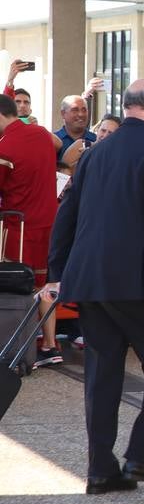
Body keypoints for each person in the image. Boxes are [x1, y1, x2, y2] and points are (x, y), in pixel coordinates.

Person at [43, 78, 144, 495]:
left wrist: (57, 271)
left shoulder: (95, 152)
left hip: (90, 278)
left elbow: (66, 212)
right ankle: (142, 456)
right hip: (138, 279)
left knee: (102, 373)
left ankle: (101, 471)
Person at [0, 94, 60, 365]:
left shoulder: (5, 146)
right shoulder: (40, 134)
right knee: (44, 286)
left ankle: (21, 350)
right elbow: (59, 145)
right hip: (47, 223)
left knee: (16, 287)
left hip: (18, 227)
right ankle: (49, 345)